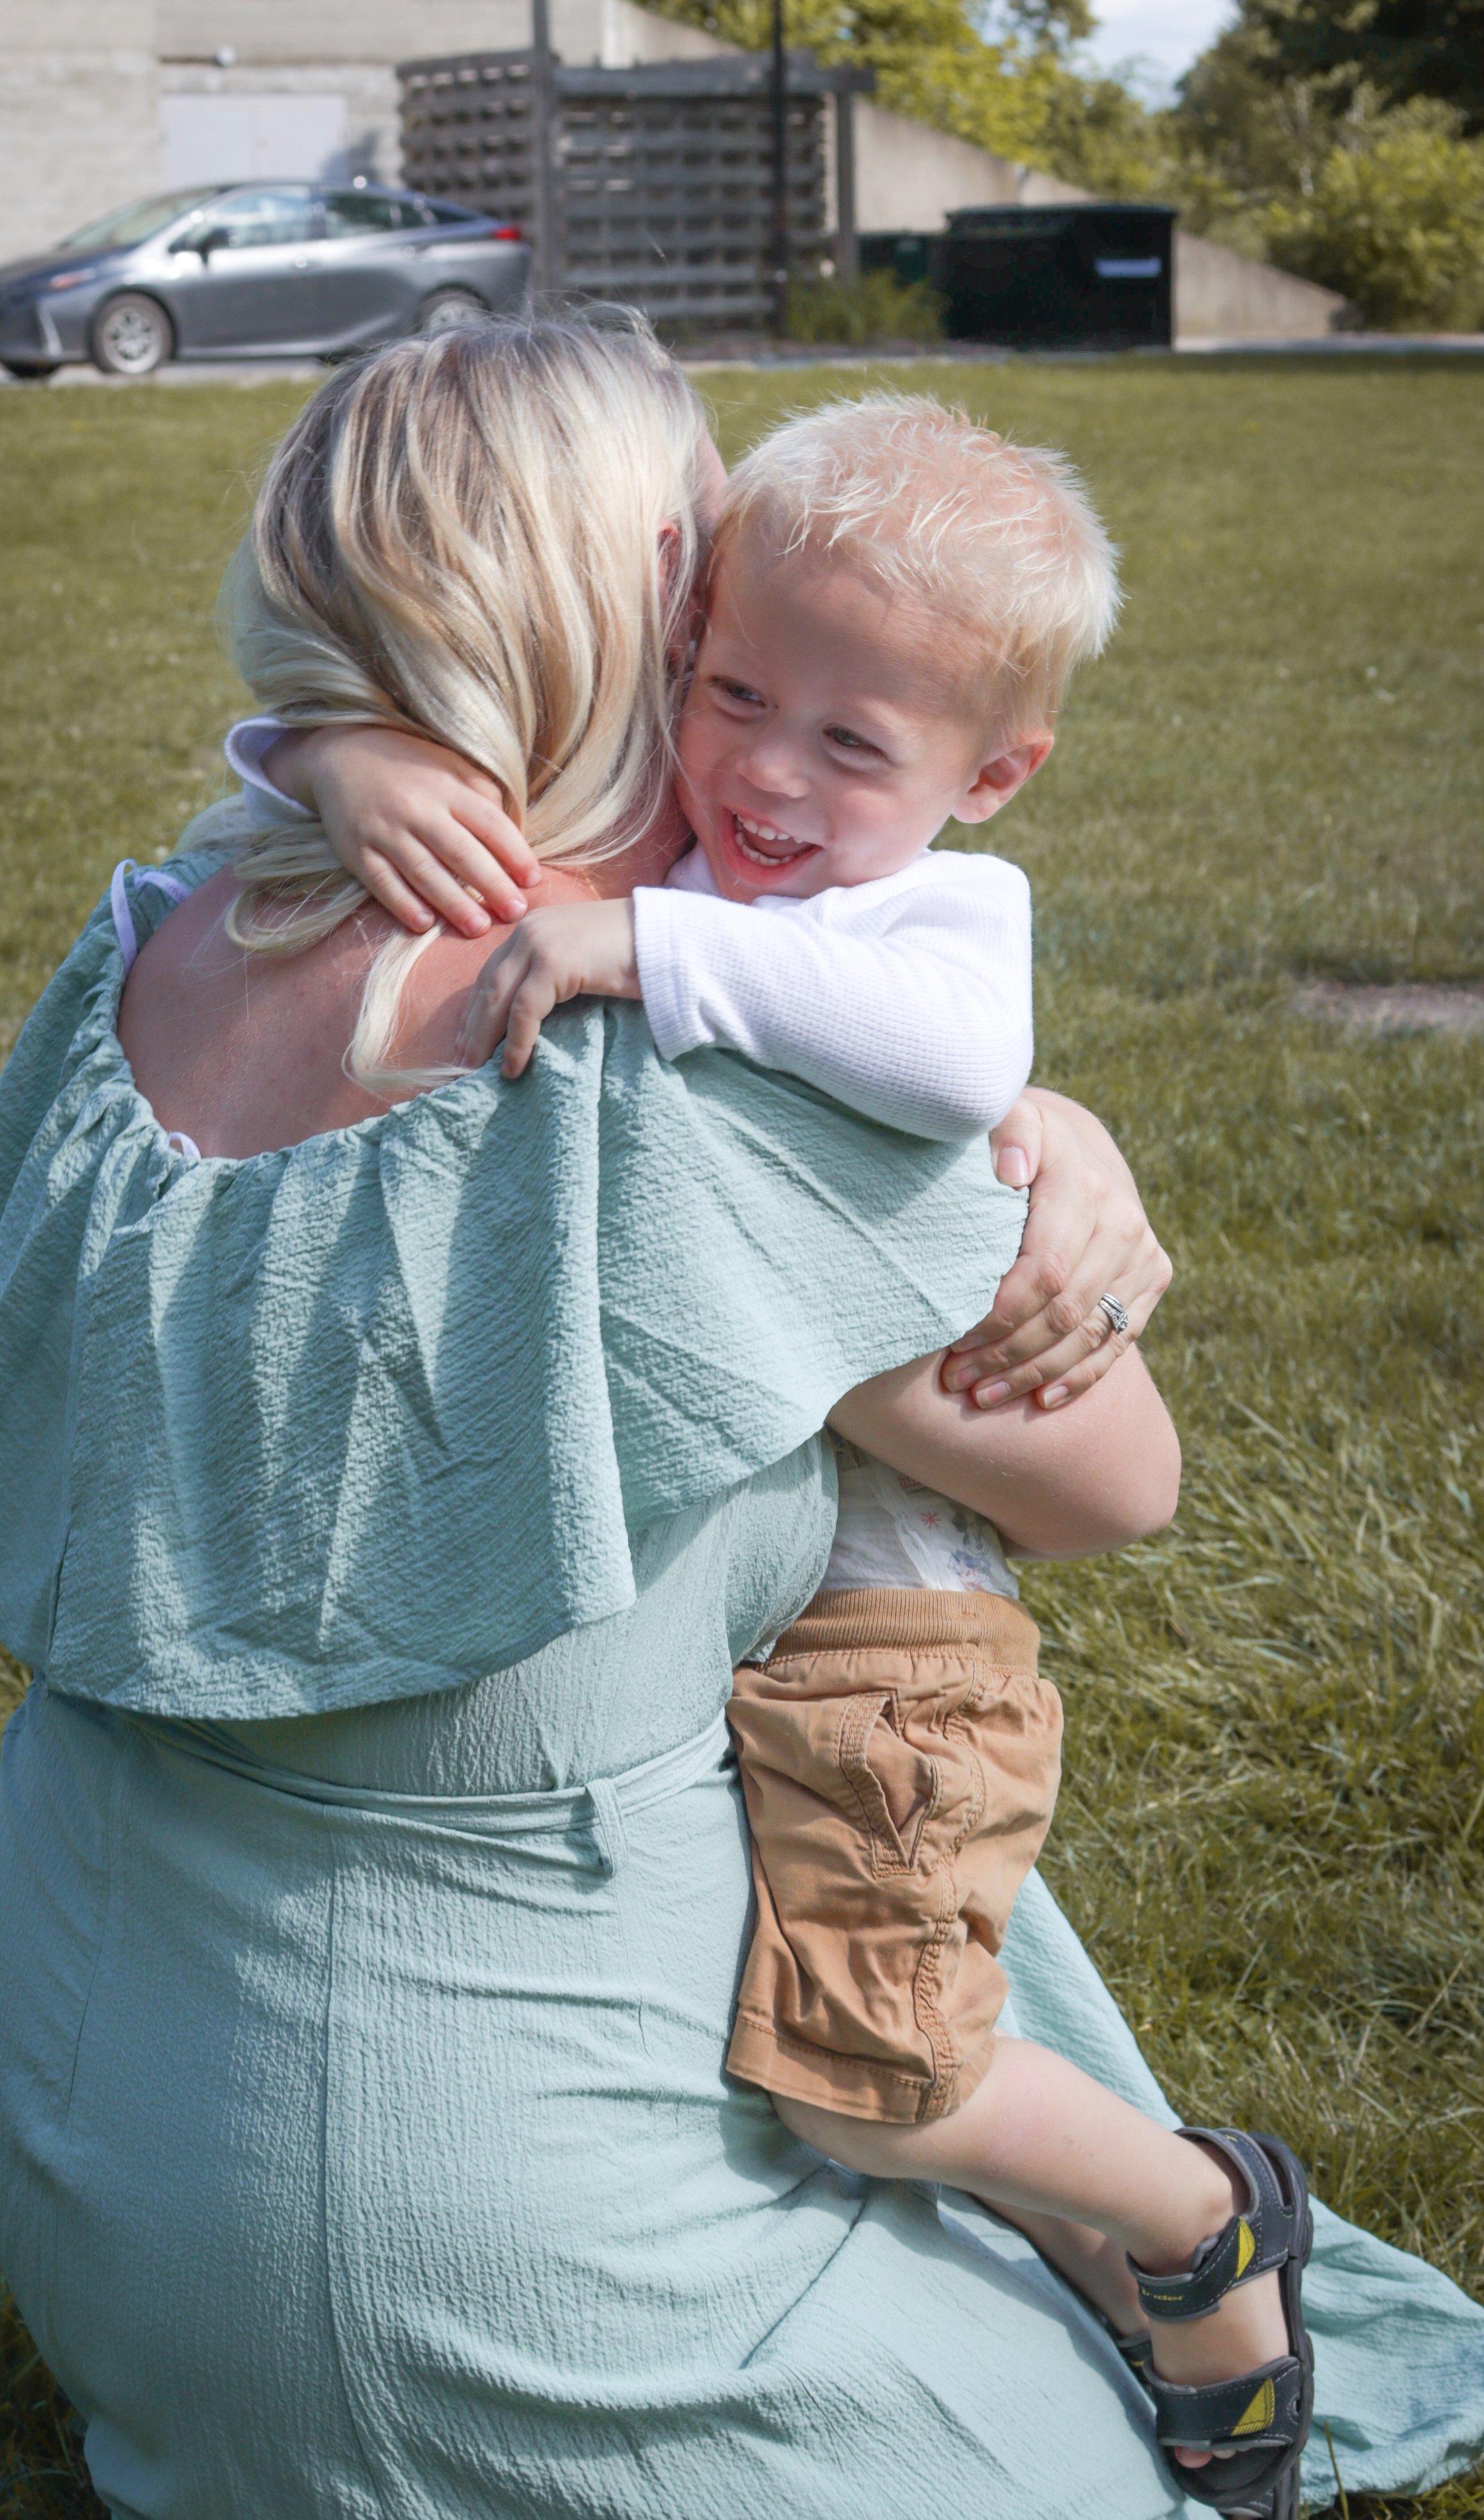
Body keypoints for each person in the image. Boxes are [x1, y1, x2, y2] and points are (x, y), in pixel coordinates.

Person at [0, 322, 1484, 2519]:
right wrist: (1011, 1157)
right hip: (462, 2243)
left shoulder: (144, 953)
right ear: (643, 591)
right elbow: (1118, 1484)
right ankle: (1194, 2224)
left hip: (84, 2113)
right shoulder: (651, 1076)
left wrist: (1012, 1107)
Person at [213, 388, 1311, 2512]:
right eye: (725, 693)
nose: (762, 775)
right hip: (747, 1604)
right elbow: (271, 771)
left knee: (871, 2087)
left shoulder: (896, 920)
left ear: (989, 783)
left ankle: (1188, 2223)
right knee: (831, 2012)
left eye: (847, 745)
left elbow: (954, 1050)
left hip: (902, 1622)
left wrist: (655, 947)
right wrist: (341, 751)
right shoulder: (718, 839)